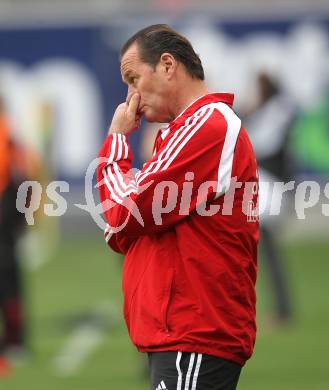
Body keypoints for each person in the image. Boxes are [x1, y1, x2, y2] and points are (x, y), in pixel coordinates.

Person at [96, 24, 259, 390]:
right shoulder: (191, 128)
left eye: (133, 78)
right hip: (186, 332)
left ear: (168, 65)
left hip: (193, 331)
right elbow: (127, 222)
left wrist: (117, 141)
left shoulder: (207, 125)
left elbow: (122, 216)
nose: (130, 96)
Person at [245, 73, 296, 324]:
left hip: (270, 189)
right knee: (265, 251)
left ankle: (282, 310)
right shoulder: (274, 111)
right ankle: (281, 308)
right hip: (270, 188)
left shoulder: (276, 110)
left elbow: (259, 143)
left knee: (266, 250)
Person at [0, 97, 27, 370]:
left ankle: (14, 339)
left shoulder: (7, 134)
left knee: (8, 281)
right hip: (6, 218)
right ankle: (15, 340)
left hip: (3, 217)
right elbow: (24, 178)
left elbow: (19, 177)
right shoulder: (9, 134)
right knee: (9, 281)